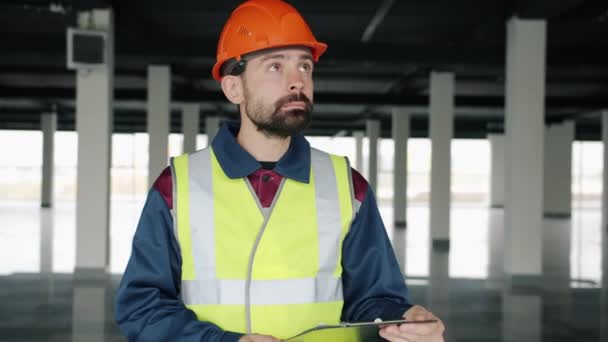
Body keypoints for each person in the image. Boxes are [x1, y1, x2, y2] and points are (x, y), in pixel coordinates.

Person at [115, 0, 445, 341]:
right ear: (233, 88)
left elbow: (375, 299)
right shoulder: (177, 188)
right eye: (275, 67)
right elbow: (142, 307)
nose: (296, 82)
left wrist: (404, 321)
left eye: (305, 66)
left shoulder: (348, 186)